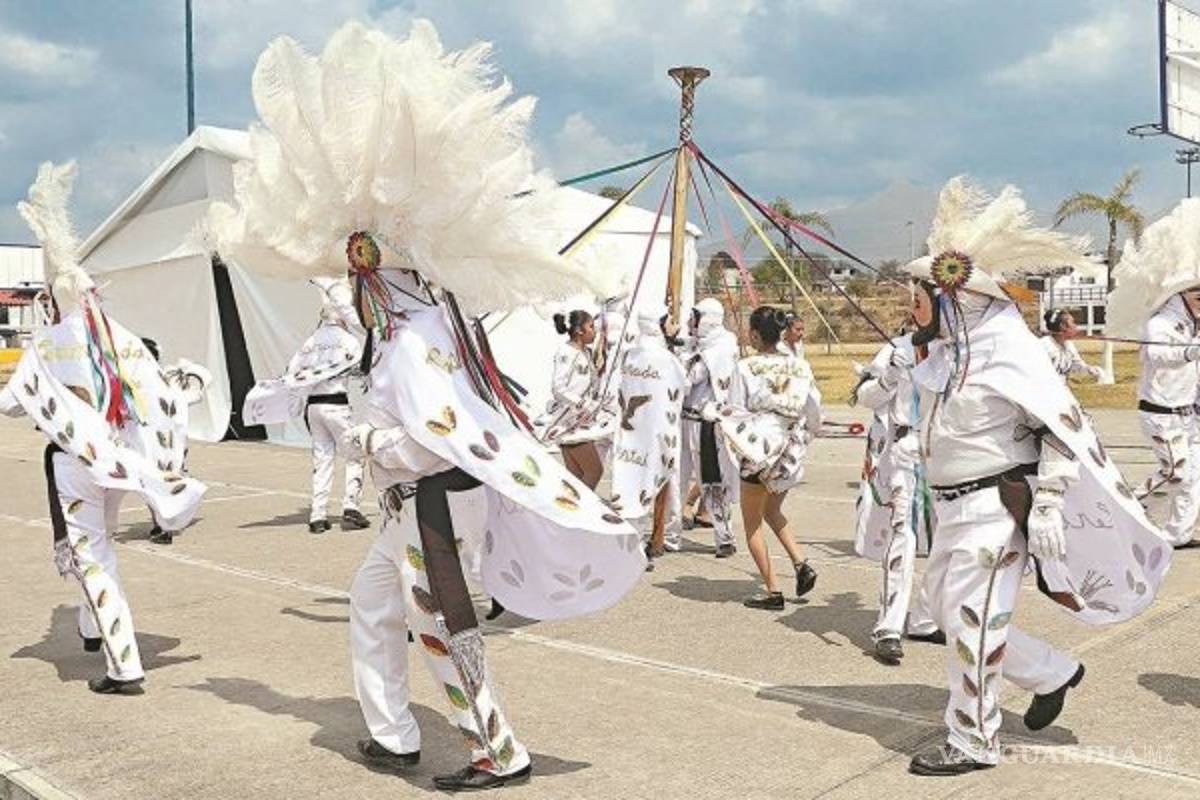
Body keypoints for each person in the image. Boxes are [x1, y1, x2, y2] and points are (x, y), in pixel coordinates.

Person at [207, 20, 645, 791]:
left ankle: (498, 750)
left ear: (381, 277)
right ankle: (391, 732)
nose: (353, 292)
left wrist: (356, 443)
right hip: (430, 503)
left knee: (440, 624)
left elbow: (429, 440)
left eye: (358, 280)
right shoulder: (436, 323)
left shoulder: (412, 340)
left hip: (431, 504)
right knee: (372, 602)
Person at [903, 177, 1171, 776]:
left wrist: (1048, 503)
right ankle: (1054, 671)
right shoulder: (948, 355)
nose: (910, 304)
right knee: (948, 615)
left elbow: (1061, 427)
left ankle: (973, 740)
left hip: (994, 512)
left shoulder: (1010, 354)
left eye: (919, 294)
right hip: (952, 511)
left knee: (972, 622)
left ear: (955, 299)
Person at [0, 161, 206, 694]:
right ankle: (92, 628)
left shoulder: (47, 344)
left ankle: (123, 663)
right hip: (119, 460)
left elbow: (14, 404)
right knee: (102, 543)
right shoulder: (120, 339)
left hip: (74, 462)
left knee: (92, 556)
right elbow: (157, 395)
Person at [851, 300, 942, 665]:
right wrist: (888, 377)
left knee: (945, 543)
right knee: (903, 534)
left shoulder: (959, 352)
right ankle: (888, 625)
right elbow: (862, 397)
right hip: (906, 453)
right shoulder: (895, 350)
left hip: (947, 456)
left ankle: (923, 617)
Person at [1107, 201, 1200, 549]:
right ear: (1180, 294)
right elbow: (1157, 355)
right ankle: (1124, 512)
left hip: (1188, 414)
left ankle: (1177, 534)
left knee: (1193, 479)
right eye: (1195, 291)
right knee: (1175, 474)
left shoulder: (1194, 324)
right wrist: (1192, 351)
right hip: (1161, 413)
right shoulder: (1161, 322)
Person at [243, 278, 369, 534]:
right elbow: (359, 364)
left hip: (314, 408)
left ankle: (317, 514)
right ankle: (351, 506)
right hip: (337, 405)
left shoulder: (309, 342)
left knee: (322, 459)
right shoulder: (349, 340)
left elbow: (292, 371)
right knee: (354, 455)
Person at [714, 306, 820, 610]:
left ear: (756, 335)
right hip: (790, 450)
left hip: (759, 450)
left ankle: (773, 591)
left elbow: (735, 409)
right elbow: (814, 410)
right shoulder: (800, 365)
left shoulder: (745, 367)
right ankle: (801, 562)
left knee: (752, 525)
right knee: (773, 510)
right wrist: (806, 437)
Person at [610, 306, 687, 563]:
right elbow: (682, 385)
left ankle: (634, 539)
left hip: (632, 430)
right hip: (658, 432)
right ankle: (656, 537)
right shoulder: (666, 359)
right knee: (659, 481)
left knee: (632, 480)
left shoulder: (628, 355)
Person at [680, 298, 740, 557]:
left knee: (711, 481)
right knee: (676, 477)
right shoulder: (709, 344)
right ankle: (669, 533)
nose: (690, 323)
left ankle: (724, 536)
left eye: (695, 318)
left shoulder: (717, 349)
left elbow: (689, 379)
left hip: (704, 424)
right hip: (688, 419)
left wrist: (677, 358)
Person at [141, 338, 212, 545]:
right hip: (174, 443)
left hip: (154, 442)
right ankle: (164, 522)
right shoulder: (167, 382)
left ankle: (163, 524)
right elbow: (194, 394)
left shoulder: (145, 382)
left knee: (152, 482)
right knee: (161, 480)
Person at [535, 308, 608, 489]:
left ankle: (563, 513)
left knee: (575, 478)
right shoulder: (566, 352)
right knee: (594, 471)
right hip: (568, 422)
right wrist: (582, 404)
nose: (595, 331)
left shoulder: (587, 353)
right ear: (579, 331)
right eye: (591, 327)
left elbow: (591, 382)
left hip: (580, 422)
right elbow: (558, 388)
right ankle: (580, 514)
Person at [1039, 309, 1105, 382]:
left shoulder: (1068, 345)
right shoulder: (1044, 346)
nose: (1075, 326)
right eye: (1072, 323)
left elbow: (1077, 366)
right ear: (1063, 326)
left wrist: (1090, 370)